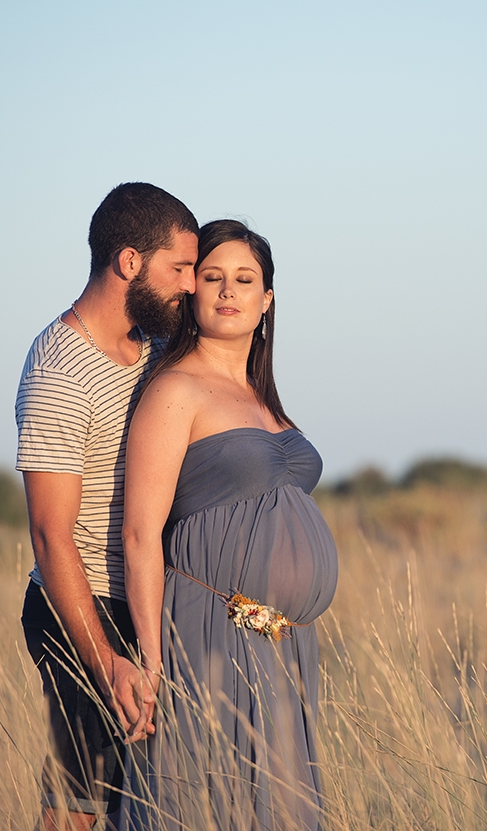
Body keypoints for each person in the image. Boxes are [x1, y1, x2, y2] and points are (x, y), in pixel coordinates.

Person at [120, 220, 338, 830]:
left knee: (278, 804)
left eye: (245, 280)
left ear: (267, 300)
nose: (227, 292)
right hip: (208, 624)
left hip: (282, 640)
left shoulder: (260, 395)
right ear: (190, 291)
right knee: (204, 797)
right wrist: (151, 658)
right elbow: (141, 535)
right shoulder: (176, 391)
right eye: (212, 277)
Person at [16, 182, 198, 831]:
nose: (192, 284)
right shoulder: (59, 366)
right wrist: (106, 656)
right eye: (179, 268)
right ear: (128, 261)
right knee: (75, 811)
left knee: (141, 809)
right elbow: (48, 535)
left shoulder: (151, 348)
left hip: (144, 605)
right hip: (82, 611)